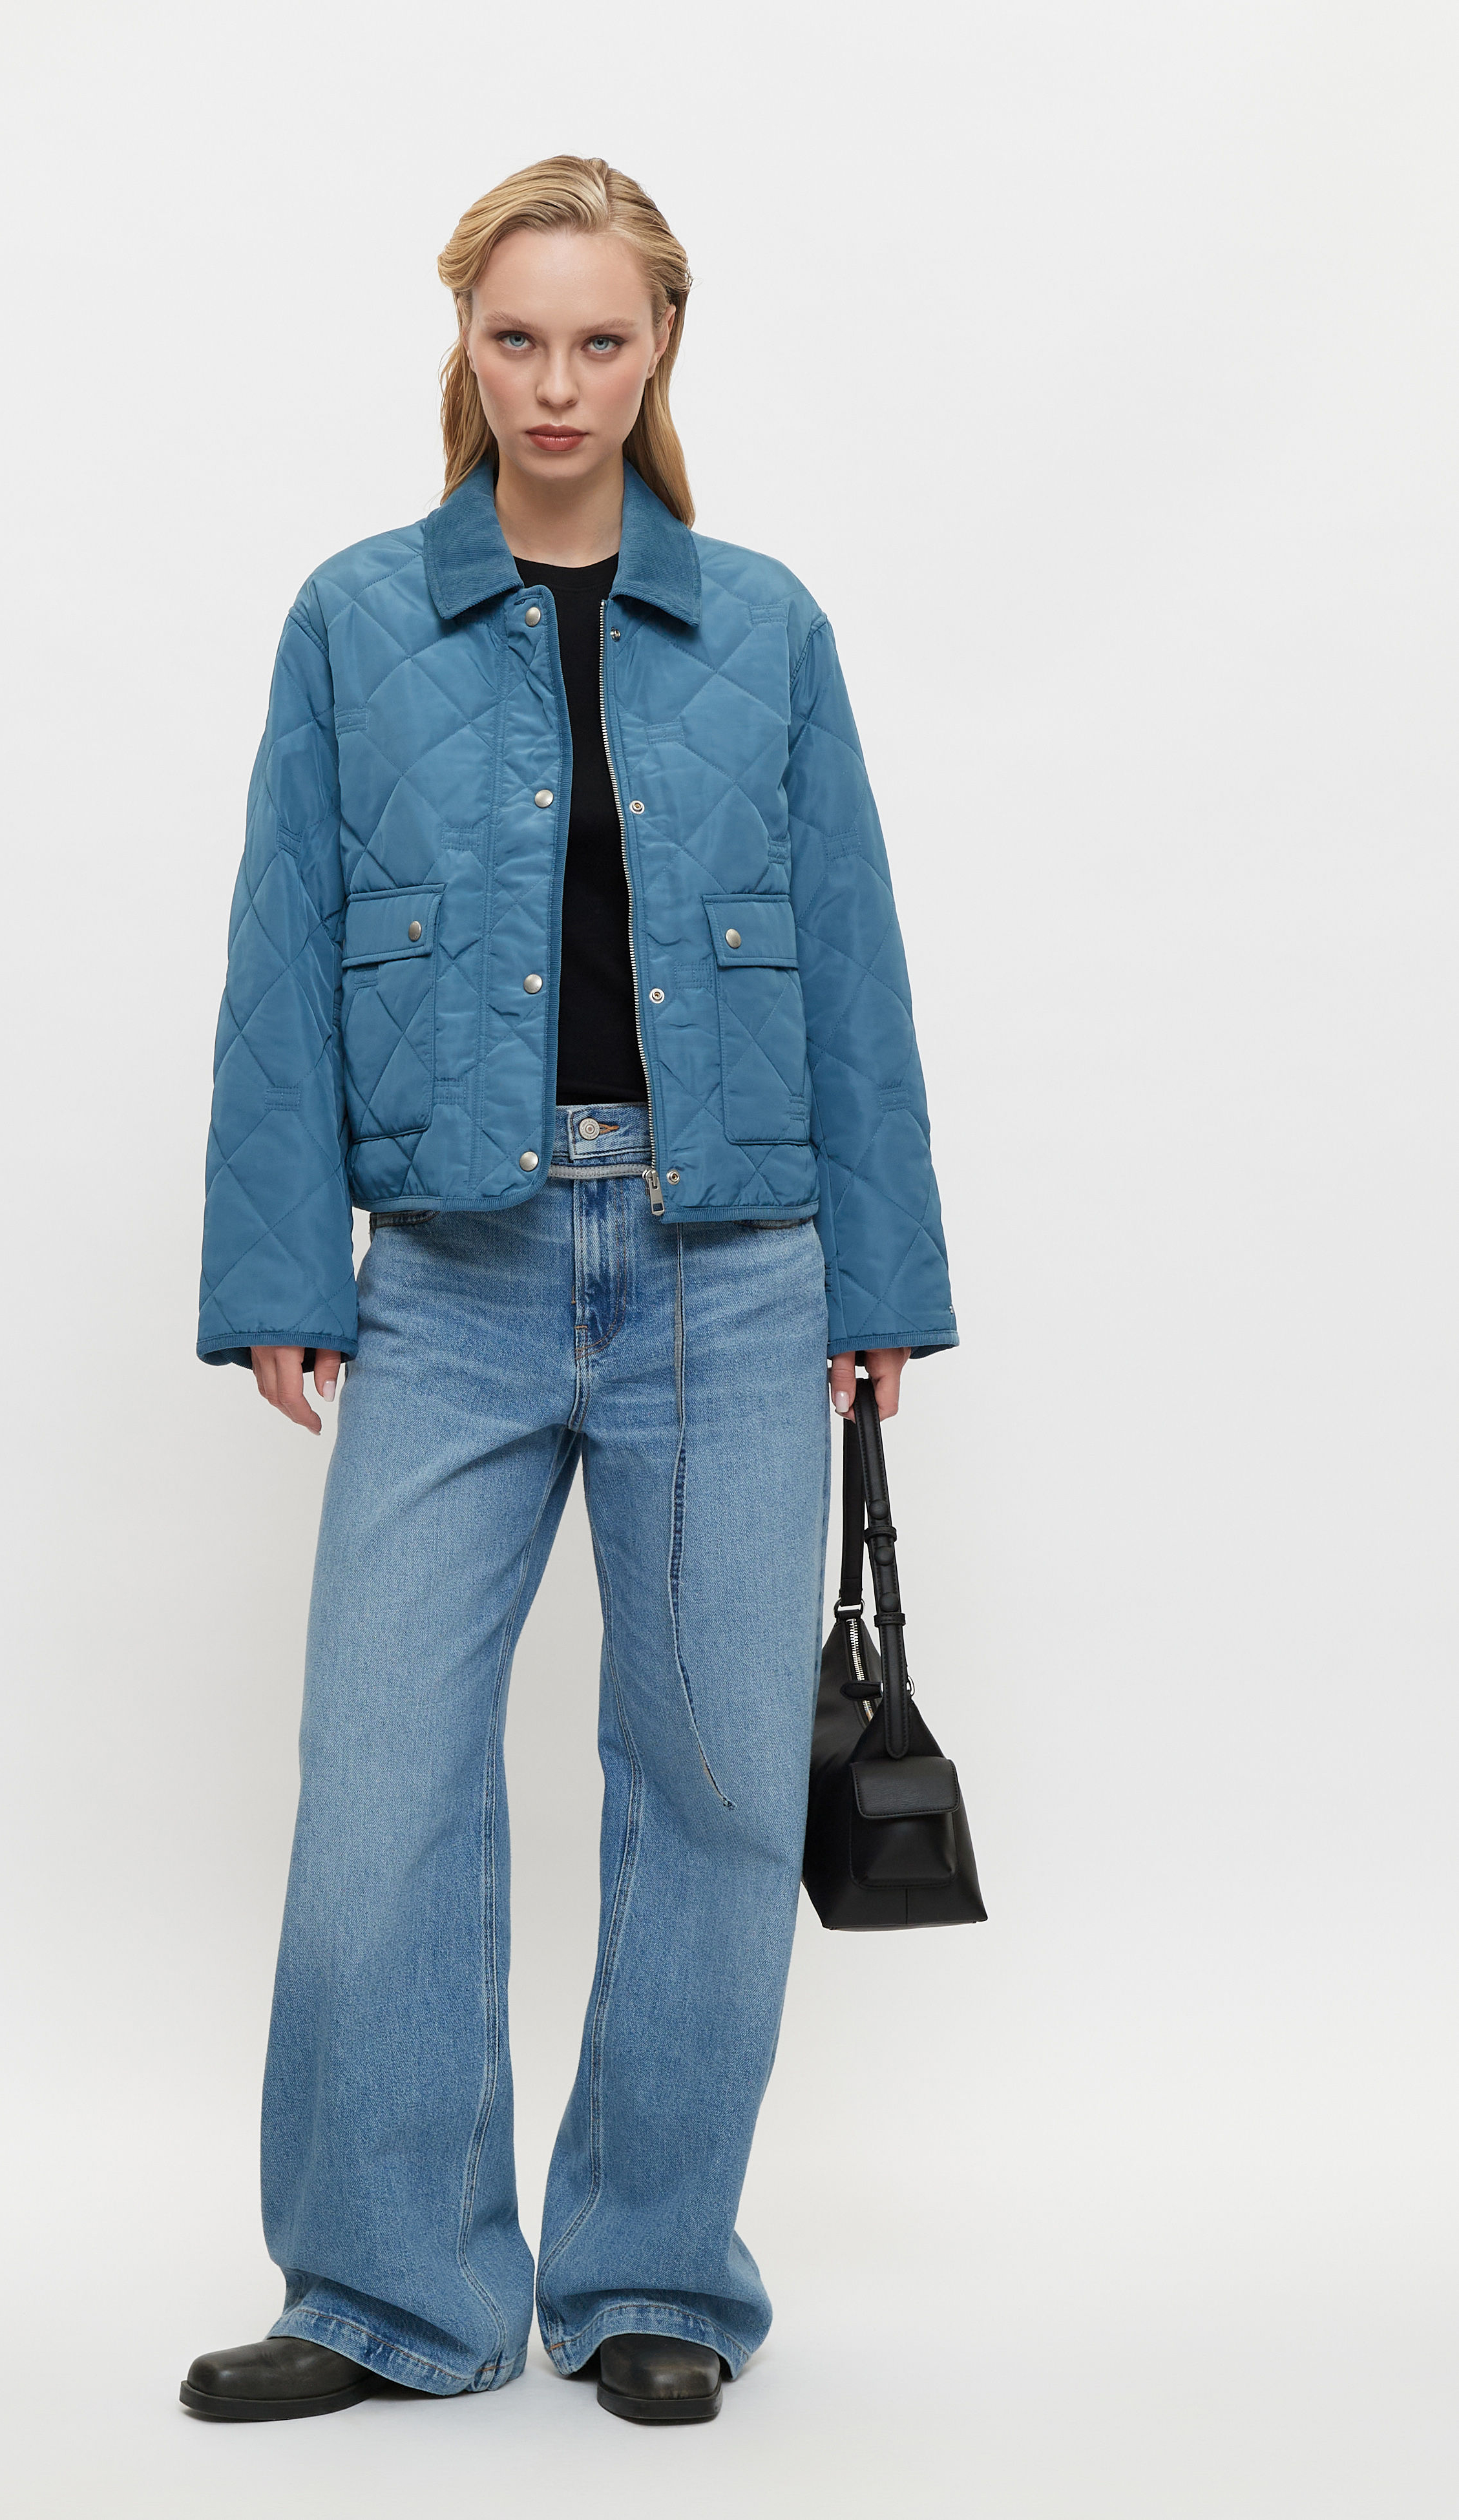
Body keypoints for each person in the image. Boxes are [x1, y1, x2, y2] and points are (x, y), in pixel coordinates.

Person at [183, 156, 956, 2430]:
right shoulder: (355, 619)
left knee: (708, 1784)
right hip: (449, 1271)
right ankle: (385, 2284)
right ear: (464, 342)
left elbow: (852, 959)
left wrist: (882, 1276)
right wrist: (277, 1265)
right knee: (379, 1787)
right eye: (515, 337)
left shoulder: (766, 628)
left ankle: (650, 2273)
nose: (554, 383)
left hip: (733, 1272)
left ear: (660, 349)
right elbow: (276, 950)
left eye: (598, 340)